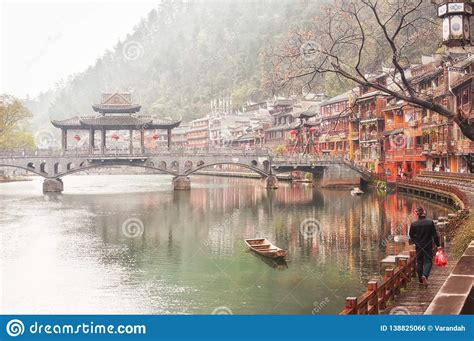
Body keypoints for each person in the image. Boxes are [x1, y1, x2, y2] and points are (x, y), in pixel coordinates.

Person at [409, 207, 442, 287]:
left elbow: (411, 236)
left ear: (417, 214)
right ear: (424, 212)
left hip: (419, 246)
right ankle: (425, 275)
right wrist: (438, 246)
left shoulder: (414, 224)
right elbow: (434, 235)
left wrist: (416, 242)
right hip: (428, 245)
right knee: (428, 261)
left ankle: (420, 280)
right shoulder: (430, 222)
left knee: (420, 262)